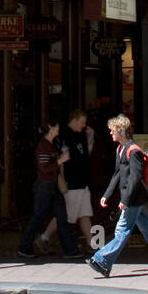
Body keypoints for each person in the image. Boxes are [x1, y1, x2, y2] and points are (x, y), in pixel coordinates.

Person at [87, 115, 148, 278]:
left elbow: (136, 179)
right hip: (133, 198)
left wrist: (125, 200)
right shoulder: (121, 149)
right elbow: (117, 174)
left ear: (122, 131)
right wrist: (107, 194)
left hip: (133, 199)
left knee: (122, 230)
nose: (110, 133)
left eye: (113, 130)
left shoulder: (134, 151)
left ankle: (102, 261)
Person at [17, 121, 82, 261]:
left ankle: (71, 250)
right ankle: (24, 246)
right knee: (38, 217)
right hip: (45, 187)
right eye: (57, 126)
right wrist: (60, 160)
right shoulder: (43, 147)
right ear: (51, 129)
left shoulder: (51, 145)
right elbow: (44, 169)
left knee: (62, 217)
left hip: (52, 186)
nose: (59, 128)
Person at [35, 109, 94, 254]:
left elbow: (86, 154)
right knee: (66, 215)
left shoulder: (80, 135)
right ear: (74, 120)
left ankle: (91, 244)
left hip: (82, 182)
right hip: (72, 182)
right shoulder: (64, 136)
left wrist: (91, 137)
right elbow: (61, 160)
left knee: (84, 214)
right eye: (82, 122)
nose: (84, 125)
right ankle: (44, 238)